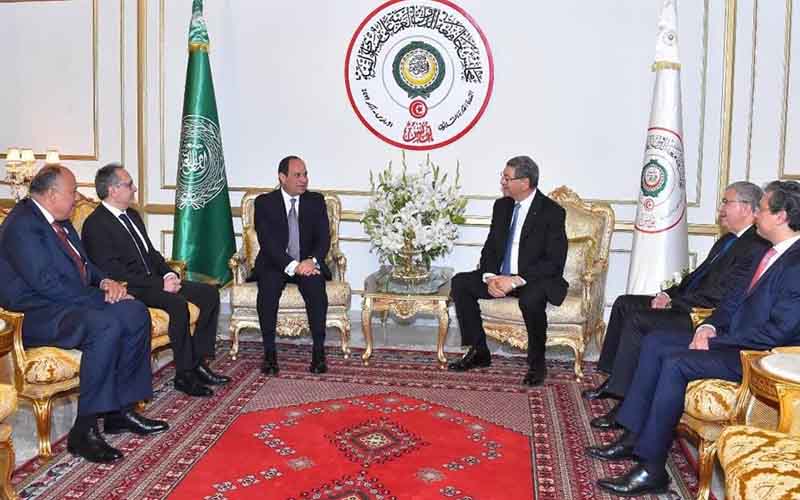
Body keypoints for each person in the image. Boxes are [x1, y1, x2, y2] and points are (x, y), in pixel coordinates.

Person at [587, 180, 800, 497]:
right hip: (729, 340)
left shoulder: (795, 264)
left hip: (756, 356)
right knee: (656, 342)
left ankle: (652, 469)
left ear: (781, 216)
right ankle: (633, 436)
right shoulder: (765, 251)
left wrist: (716, 342)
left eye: (764, 209)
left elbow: (777, 332)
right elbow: (730, 302)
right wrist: (708, 327)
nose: (757, 215)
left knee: (676, 363)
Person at [0, 165, 168, 464]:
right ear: (52, 194)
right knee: (104, 325)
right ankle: (84, 429)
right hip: (34, 313)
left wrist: (105, 282)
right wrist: (99, 297)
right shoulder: (22, 225)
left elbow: (85, 264)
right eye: (73, 191)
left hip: (65, 303)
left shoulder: (60, 221)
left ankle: (121, 410)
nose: (77, 197)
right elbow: (47, 284)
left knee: (134, 312)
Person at [583, 181, 769, 429]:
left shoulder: (755, 247)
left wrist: (674, 303)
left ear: (746, 208)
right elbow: (695, 278)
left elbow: (719, 295)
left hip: (698, 313)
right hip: (684, 301)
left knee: (638, 320)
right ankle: (615, 377)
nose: (721, 209)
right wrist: (667, 294)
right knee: (624, 303)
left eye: (726, 202)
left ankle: (625, 398)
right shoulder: (726, 241)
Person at [81, 163, 229, 397]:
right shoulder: (95, 225)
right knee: (177, 304)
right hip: (132, 288)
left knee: (209, 294)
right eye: (129, 184)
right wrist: (161, 285)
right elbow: (113, 273)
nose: (135, 188)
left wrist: (168, 273)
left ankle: (198, 363)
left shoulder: (132, 215)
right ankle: (184, 374)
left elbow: (150, 253)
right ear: (113, 190)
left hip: (155, 280)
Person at [447, 155, 568, 386]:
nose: (502, 182)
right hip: (500, 276)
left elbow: (554, 262)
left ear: (525, 183)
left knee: (532, 300)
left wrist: (514, 281)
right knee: (461, 283)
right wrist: (490, 277)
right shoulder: (501, 206)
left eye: (507, 178)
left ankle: (537, 363)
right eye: (502, 176)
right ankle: (479, 351)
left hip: (532, 280)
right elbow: (491, 247)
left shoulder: (552, 212)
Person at [252, 155, 331, 375]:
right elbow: (267, 243)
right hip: (276, 263)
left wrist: (311, 261)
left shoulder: (316, 201)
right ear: (282, 177)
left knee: (316, 287)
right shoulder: (264, 203)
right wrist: (293, 265)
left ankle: (319, 352)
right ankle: (269, 353)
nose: (303, 179)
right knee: (267, 289)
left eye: (305, 174)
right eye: (297, 175)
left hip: (307, 263)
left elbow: (324, 239)